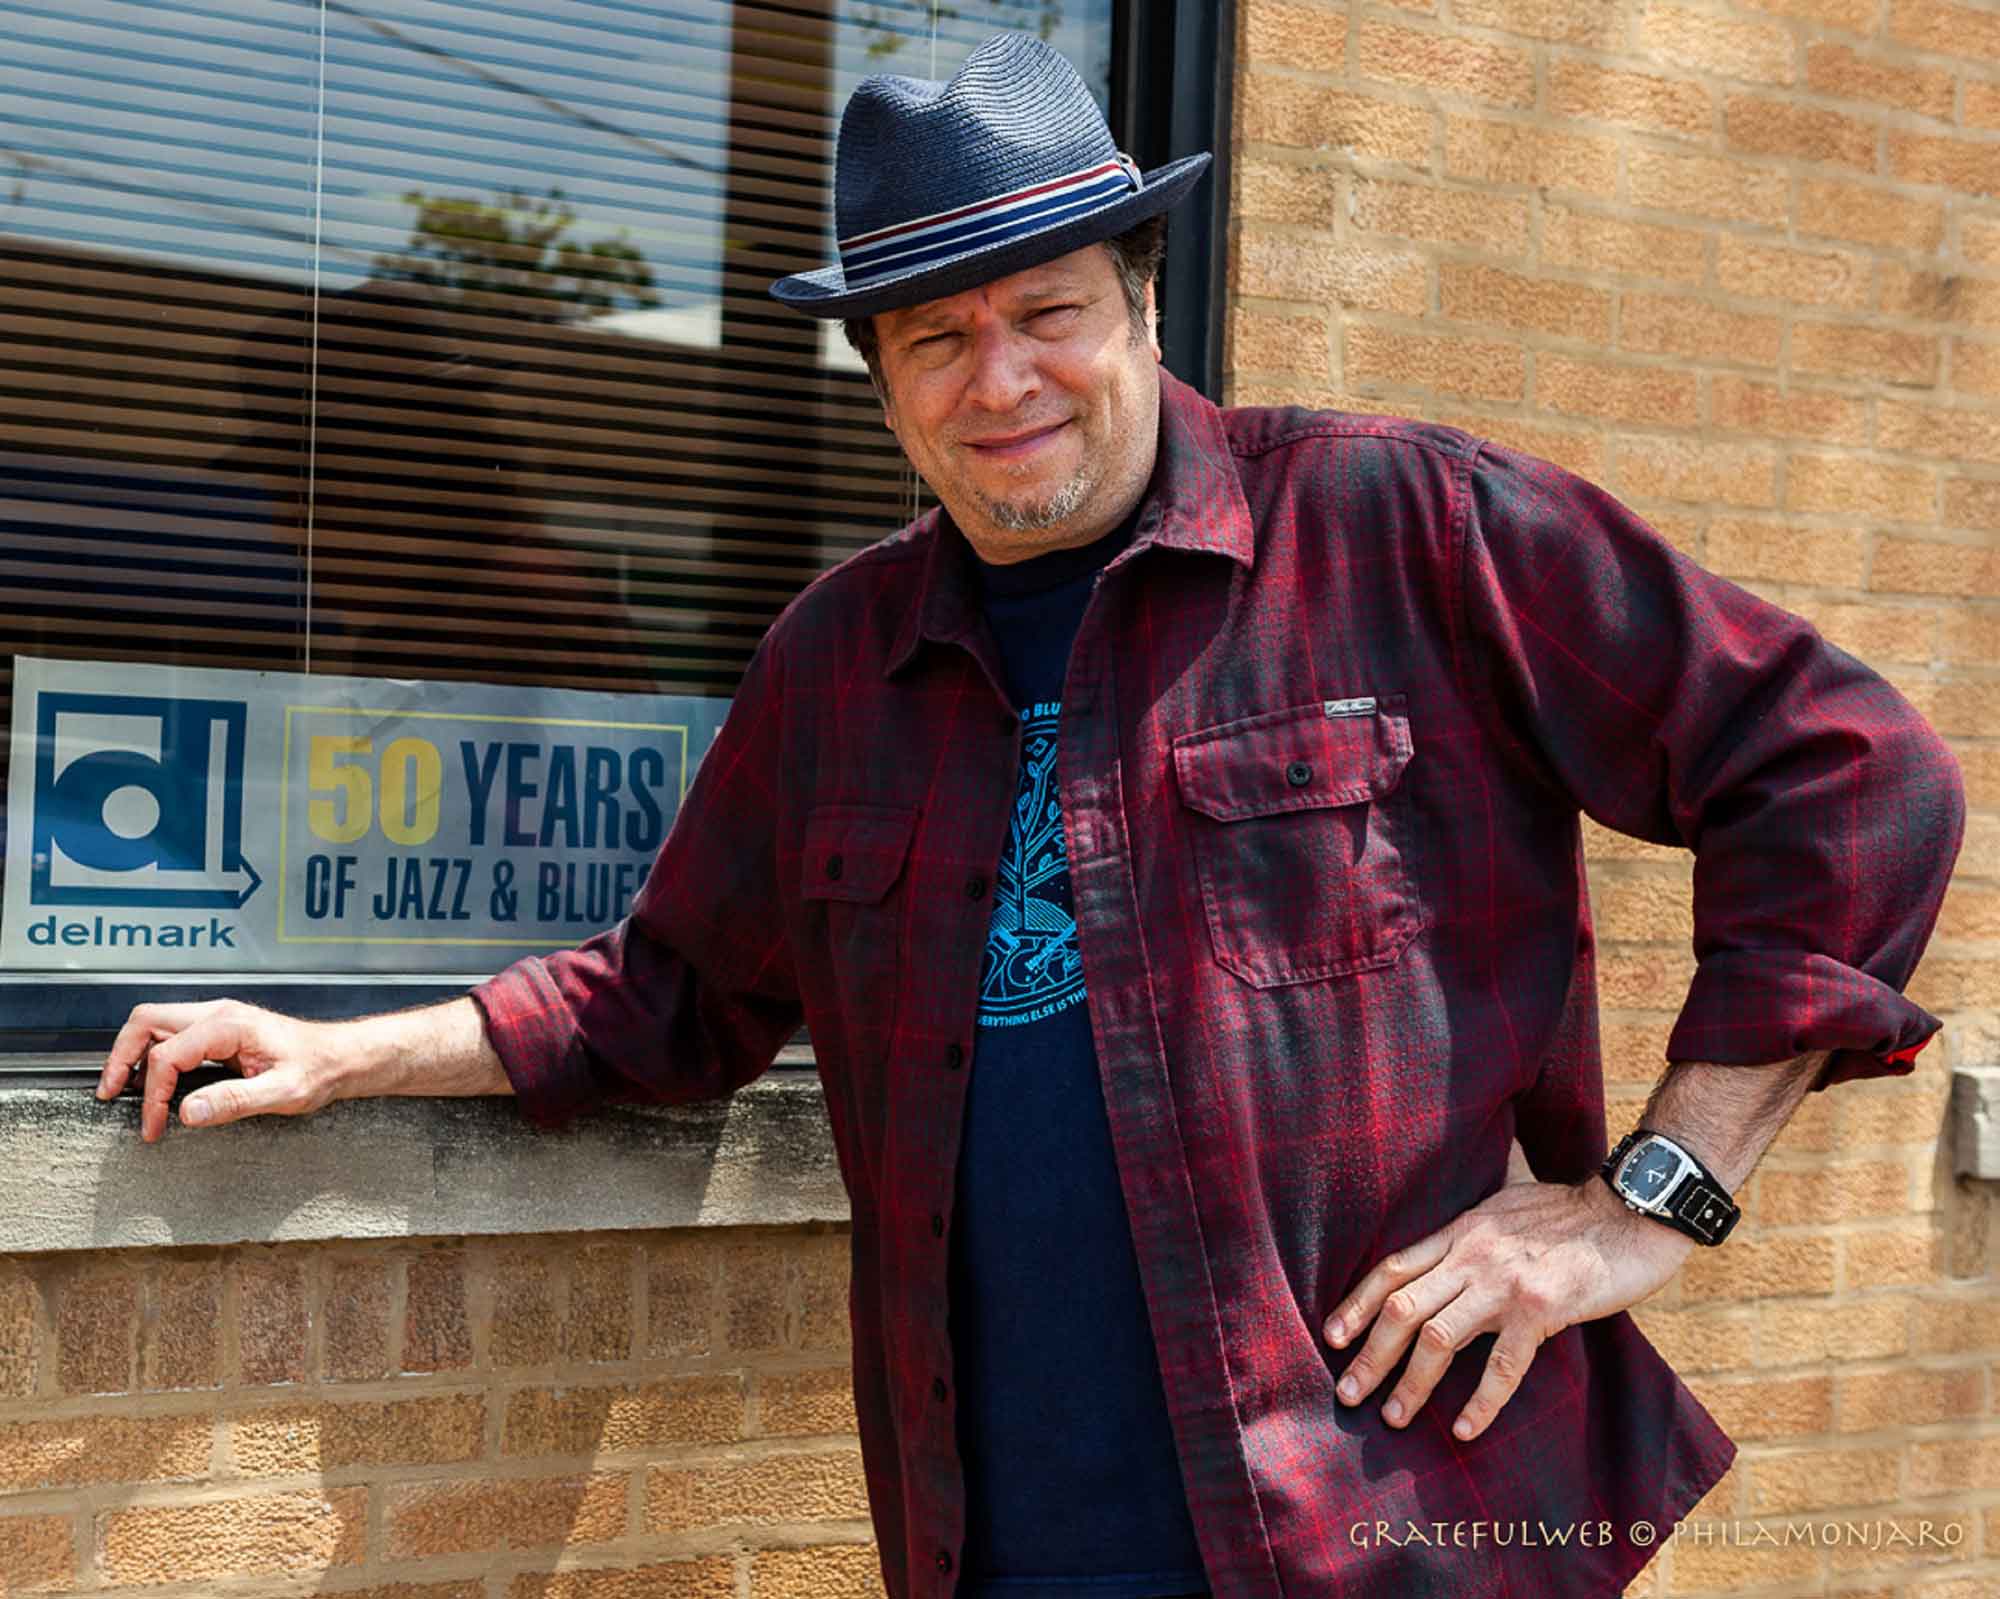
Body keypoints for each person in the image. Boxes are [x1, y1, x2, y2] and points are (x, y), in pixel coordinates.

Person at [97, 32, 1964, 1599]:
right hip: (1000, 1544)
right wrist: (343, 1054)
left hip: (1403, 1533)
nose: (1002, 380)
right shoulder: (844, 661)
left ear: (1143, 303)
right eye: (933, 338)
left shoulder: (1406, 533)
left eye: (1049, 311)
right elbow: (660, 995)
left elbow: (1847, 774)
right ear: (882, 385)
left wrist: (1651, 1202)